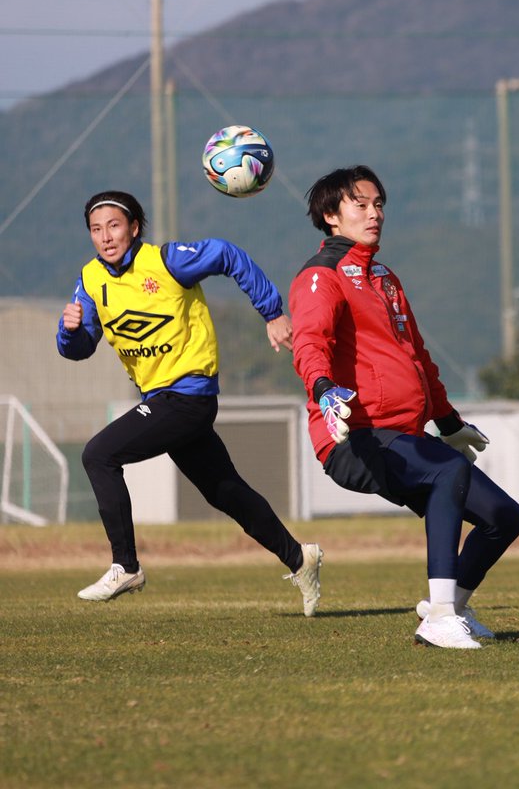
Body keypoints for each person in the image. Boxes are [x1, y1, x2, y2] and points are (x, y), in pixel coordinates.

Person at [289, 165, 519, 650]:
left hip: (406, 435)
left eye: (379, 204)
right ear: (332, 216)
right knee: (445, 474)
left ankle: (451, 608)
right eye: (361, 204)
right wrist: (323, 389)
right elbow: (309, 342)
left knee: (505, 516)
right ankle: (439, 616)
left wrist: (450, 423)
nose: (374, 213)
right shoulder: (320, 275)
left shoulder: (383, 276)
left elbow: (417, 357)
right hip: (355, 437)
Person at [57, 191, 322, 613]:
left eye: (114, 226)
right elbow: (79, 346)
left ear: (134, 228)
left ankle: (125, 566)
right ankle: (299, 557)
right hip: (165, 401)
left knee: (98, 455)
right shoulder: (91, 280)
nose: (105, 237)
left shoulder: (167, 261)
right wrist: (69, 330)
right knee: (225, 492)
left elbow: (228, 255)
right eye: (96, 229)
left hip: (187, 396)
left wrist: (272, 312)